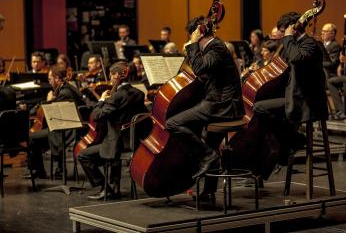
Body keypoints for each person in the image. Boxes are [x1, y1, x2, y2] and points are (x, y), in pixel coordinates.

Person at [165, 16, 245, 199]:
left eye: (192, 35)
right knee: (210, 141)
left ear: (199, 33)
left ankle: (208, 157)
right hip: (219, 104)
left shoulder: (215, 46)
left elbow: (200, 68)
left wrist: (192, 44)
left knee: (173, 123)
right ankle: (209, 192)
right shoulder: (214, 48)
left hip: (222, 106)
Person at [251, 12, 328, 177]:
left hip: (308, 101)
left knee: (260, 108)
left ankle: (293, 140)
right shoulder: (293, 44)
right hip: (296, 96)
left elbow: (295, 58)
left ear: (293, 28)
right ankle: (282, 148)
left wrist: (287, 38)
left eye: (284, 30)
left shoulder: (310, 44)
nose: (282, 35)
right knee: (263, 110)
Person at [78, 61, 148, 200]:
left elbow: (96, 116)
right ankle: (113, 187)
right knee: (110, 139)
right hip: (134, 141)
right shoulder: (139, 93)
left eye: (111, 75)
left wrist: (102, 100)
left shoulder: (117, 97)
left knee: (83, 155)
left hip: (117, 143)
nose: (110, 78)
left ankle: (105, 188)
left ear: (117, 75)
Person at [27, 66, 85, 179]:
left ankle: (39, 171)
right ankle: (56, 168)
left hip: (67, 129)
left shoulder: (65, 93)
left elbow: (53, 115)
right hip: (68, 126)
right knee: (38, 136)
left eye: (50, 79)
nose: (49, 82)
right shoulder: (68, 88)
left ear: (57, 78)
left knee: (31, 138)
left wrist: (49, 101)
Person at [320, 23, 345, 119]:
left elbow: (332, 64)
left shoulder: (335, 46)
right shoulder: (322, 45)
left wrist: (317, 63)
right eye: (322, 31)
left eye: (325, 31)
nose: (322, 33)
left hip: (330, 74)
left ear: (332, 33)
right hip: (323, 74)